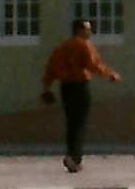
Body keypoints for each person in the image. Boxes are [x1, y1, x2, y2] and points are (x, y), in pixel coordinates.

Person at [42, 14, 122, 173]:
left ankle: (71, 155)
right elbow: (93, 65)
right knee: (80, 123)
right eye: (88, 29)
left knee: (71, 123)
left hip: (65, 87)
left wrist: (46, 89)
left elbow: (50, 70)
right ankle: (74, 157)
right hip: (80, 87)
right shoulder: (84, 45)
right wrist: (110, 74)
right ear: (80, 30)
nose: (90, 32)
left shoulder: (61, 48)